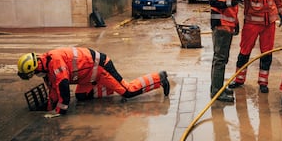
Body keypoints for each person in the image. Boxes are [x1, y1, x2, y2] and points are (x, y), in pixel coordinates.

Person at [17, 47, 170, 116]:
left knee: (128, 91)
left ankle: (159, 78)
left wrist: (58, 112)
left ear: (35, 68)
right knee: (82, 96)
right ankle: (112, 87)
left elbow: (63, 90)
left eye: (31, 74)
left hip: (100, 67)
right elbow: (53, 90)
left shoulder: (55, 63)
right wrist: (48, 107)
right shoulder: (46, 67)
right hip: (89, 76)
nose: (33, 76)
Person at [228, 0, 282, 93]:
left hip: (269, 23)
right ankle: (239, 79)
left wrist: (281, 12)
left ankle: (263, 83)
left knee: (266, 54)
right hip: (252, 23)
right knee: (245, 52)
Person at [209, 0, 245, 102]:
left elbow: (232, 8)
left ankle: (218, 88)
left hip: (228, 25)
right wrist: (234, 1)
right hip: (221, 25)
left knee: (223, 59)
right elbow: (214, 1)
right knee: (219, 59)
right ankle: (217, 92)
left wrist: (235, 23)